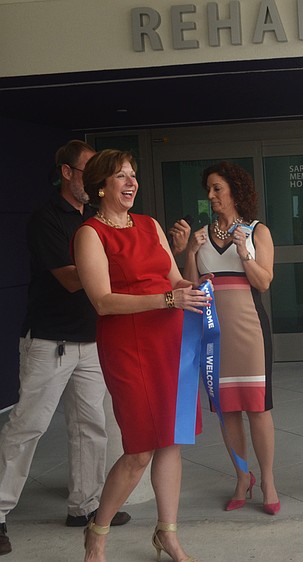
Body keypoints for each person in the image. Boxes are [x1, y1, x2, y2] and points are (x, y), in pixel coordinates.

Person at [74, 149, 209, 562]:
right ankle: (97, 533)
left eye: (133, 175)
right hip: (127, 345)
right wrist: (169, 297)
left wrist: (202, 287)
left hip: (169, 341)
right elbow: (102, 301)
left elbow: (175, 280)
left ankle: (167, 534)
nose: (132, 183)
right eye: (121, 177)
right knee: (138, 450)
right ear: (101, 186)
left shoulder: (150, 225)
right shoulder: (90, 233)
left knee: (172, 441)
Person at [0, 141, 131, 556]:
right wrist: (119, 265)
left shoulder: (95, 218)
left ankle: (85, 506)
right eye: (88, 170)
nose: (94, 178)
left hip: (92, 340)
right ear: (67, 173)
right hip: (48, 342)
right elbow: (73, 279)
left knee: (91, 427)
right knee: (27, 427)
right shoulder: (46, 218)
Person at [173, 162, 280, 516]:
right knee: (226, 410)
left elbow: (264, 282)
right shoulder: (201, 235)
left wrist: (245, 254)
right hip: (213, 333)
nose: (211, 195)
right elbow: (189, 287)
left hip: (250, 330)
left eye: (218, 188)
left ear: (235, 190)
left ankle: (267, 480)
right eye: (209, 189)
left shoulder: (257, 231)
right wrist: (188, 253)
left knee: (258, 409)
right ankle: (241, 476)